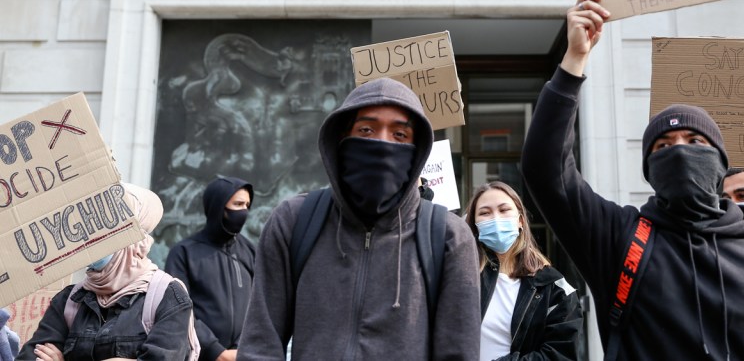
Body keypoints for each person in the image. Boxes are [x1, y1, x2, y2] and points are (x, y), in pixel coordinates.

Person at [520, 0, 744, 360]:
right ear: (649, 169)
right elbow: (545, 170)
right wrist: (574, 60)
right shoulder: (618, 238)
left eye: (694, 140)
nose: (679, 150)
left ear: (720, 163)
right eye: (663, 146)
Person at [237, 77, 481, 361]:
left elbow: (458, 353)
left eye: (399, 135)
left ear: (417, 152)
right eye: (366, 130)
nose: (382, 144)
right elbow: (260, 343)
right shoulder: (293, 221)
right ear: (342, 139)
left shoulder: (449, 237)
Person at [17, 183, 198, 361]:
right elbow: (31, 356)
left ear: (135, 238)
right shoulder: (70, 300)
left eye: (105, 228)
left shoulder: (167, 296)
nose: (92, 238)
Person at [466, 181, 583, 361]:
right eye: (484, 213)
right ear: (475, 224)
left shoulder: (554, 288)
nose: (495, 218)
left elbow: (560, 354)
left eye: (504, 210)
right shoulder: (462, 277)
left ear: (520, 220)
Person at [165, 176, 256, 361]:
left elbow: (260, 304)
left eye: (247, 205)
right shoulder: (184, 253)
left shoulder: (250, 251)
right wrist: (215, 351)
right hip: (199, 355)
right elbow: (178, 309)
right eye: (238, 204)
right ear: (218, 207)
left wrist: (242, 349)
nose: (244, 211)